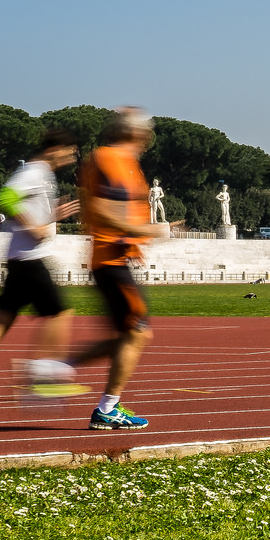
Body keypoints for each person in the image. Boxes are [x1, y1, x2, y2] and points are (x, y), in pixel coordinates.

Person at [0, 127, 85, 403]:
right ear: (53, 149)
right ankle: (43, 378)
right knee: (60, 314)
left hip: (19, 258)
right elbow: (4, 198)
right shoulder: (35, 171)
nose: (71, 158)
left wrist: (50, 216)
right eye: (69, 152)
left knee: (5, 317)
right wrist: (35, 228)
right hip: (29, 258)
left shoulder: (43, 175)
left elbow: (26, 208)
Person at [67, 107, 171, 430]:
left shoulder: (123, 161)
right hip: (111, 260)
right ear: (135, 132)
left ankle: (58, 369)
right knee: (137, 332)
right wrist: (149, 230)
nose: (148, 138)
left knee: (129, 334)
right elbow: (99, 209)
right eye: (146, 131)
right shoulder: (111, 159)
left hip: (117, 258)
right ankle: (105, 407)